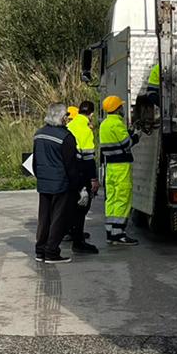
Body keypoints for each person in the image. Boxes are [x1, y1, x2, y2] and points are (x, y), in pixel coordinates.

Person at [31, 103, 83, 263]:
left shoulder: (38, 134)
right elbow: (71, 165)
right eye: (66, 115)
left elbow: (35, 161)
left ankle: (40, 250)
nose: (68, 118)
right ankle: (52, 252)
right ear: (61, 117)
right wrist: (78, 186)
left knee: (44, 218)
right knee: (58, 218)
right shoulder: (66, 137)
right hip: (60, 184)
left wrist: (40, 177)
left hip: (44, 183)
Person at [98, 95, 138, 246]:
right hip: (121, 166)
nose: (122, 108)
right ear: (117, 109)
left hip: (110, 167)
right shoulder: (117, 124)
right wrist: (136, 135)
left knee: (112, 199)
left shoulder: (104, 124)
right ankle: (119, 233)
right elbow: (127, 143)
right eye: (121, 106)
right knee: (123, 198)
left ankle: (110, 231)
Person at [65, 99, 100, 255]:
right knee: (83, 206)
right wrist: (93, 179)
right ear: (91, 114)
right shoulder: (86, 130)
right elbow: (88, 158)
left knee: (72, 205)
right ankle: (78, 242)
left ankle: (74, 233)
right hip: (81, 173)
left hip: (68, 172)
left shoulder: (70, 125)